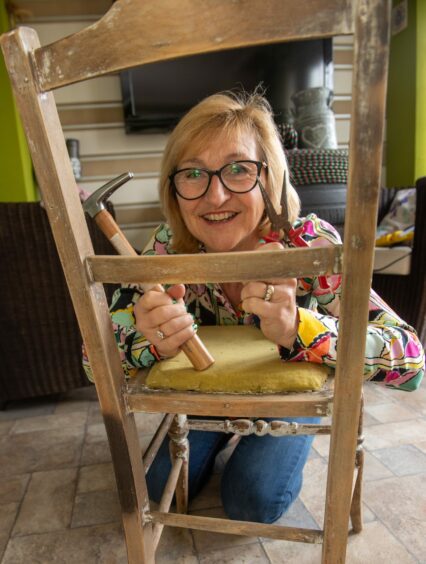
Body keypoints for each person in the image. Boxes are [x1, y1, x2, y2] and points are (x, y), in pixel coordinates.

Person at [83, 90, 424, 524]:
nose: (215, 196)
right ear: (174, 188)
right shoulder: (166, 249)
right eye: (192, 174)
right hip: (210, 388)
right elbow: (91, 361)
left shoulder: (311, 246)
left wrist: (301, 329)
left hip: (287, 392)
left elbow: (411, 360)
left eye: (239, 169)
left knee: (251, 500)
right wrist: (147, 341)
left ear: (270, 178)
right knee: (158, 487)